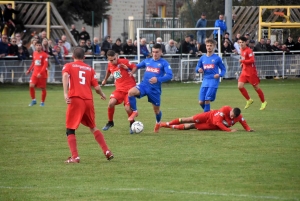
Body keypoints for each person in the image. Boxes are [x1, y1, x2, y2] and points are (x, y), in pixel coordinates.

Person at [62, 47, 113, 163]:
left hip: (76, 99)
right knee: (92, 126)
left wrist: (65, 93)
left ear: (72, 56)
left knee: (70, 129)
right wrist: (102, 94)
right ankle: (107, 151)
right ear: (84, 57)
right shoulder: (89, 69)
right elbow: (96, 87)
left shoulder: (68, 66)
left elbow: (65, 76)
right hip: (88, 101)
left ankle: (75, 157)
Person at [127, 44, 173, 133]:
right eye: (153, 52)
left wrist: (158, 79)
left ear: (161, 52)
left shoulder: (164, 63)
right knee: (131, 92)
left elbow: (170, 75)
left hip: (154, 90)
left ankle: (158, 122)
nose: (154, 54)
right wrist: (129, 68)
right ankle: (135, 111)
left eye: (157, 52)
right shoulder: (147, 61)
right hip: (144, 86)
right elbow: (137, 66)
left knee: (156, 111)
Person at [101, 50, 137, 134]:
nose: (113, 61)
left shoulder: (124, 62)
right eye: (111, 60)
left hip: (130, 90)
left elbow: (134, 66)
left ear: (116, 56)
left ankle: (132, 124)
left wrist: (131, 72)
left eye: (114, 59)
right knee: (111, 103)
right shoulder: (110, 64)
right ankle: (110, 122)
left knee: (127, 108)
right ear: (108, 59)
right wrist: (105, 80)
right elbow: (109, 71)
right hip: (119, 89)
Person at [160, 105, 254, 132]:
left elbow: (243, 122)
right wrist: (229, 130)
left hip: (211, 125)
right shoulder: (225, 109)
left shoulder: (239, 117)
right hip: (209, 116)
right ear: (231, 110)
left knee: (192, 126)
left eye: (234, 117)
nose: (232, 117)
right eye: (231, 114)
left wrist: (248, 129)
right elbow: (218, 122)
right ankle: (167, 123)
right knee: (189, 119)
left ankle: (168, 126)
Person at [195, 38, 226, 112]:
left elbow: (223, 69)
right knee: (201, 102)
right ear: (206, 46)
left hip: (213, 81)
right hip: (205, 80)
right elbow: (197, 67)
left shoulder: (217, 58)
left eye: (210, 45)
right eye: (207, 45)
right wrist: (198, 69)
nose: (209, 47)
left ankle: (207, 119)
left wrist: (219, 75)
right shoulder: (202, 58)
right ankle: (210, 113)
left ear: (214, 46)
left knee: (207, 99)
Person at [238, 36, 267, 110]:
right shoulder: (241, 50)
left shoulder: (249, 50)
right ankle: (249, 100)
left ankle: (263, 102)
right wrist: (242, 64)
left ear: (245, 42)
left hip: (251, 72)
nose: (241, 44)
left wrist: (242, 61)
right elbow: (244, 59)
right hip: (244, 71)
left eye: (242, 42)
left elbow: (252, 60)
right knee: (240, 86)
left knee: (256, 88)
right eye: (240, 42)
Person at [26, 41, 49, 107]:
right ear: (35, 46)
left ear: (41, 46)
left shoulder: (44, 55)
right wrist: (29, 70)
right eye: (37, 45)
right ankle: (34, 100)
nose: (38, 46)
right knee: (31, 85)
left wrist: (41, 73)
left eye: (39, 45)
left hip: (42, 74)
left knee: (43, 88)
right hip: (35, 73)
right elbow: (33, 63)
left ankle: (42, 102)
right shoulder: (34, 53)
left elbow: (45, 65)